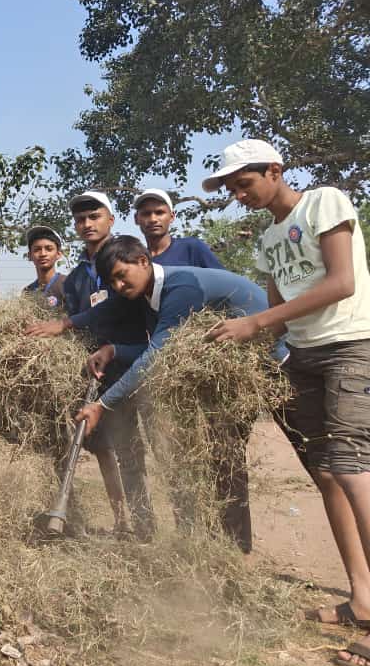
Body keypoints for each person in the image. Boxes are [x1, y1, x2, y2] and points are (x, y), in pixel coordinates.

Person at [200, 139, 370, 666]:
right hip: (303, 355)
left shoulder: (325, 202)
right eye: (230, 188)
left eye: (244, 183)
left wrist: (256, 323)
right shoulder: (268, 238)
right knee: (323, 473)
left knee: (352, 468)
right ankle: (362, 599)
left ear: (275, 170)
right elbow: (276, 306)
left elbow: (341, 283)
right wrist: (241, 348)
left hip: (349, 345)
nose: (238, 194)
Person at [72, 235, 286, 553]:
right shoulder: (148, 296)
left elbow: (157, 356)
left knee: (226, 456)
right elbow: (165, 347)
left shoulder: (178, 288)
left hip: (272, 361)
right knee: (215, 456)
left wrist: (102, 403)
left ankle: (235, 551)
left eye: (121, 275)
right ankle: (215, 545)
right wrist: (113, 348)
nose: (118, 286)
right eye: (111, 281)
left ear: (143, 261)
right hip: (230, 366)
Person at [25, 191, 154, 539]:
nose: (87, 224)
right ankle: (123, 521)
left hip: (130, 364)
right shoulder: (78, 276)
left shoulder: (126, 259)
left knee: (135, 451)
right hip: (93, 373)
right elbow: (78, 320)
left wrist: (69, 326)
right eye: (80, 220)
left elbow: (117, 311)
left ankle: (146, 526)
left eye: (94, 217)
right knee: (103, 450)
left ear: (110, 220)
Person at [133, 189, 224, 268]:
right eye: (146, 214)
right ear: (136, 219)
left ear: (172, 217)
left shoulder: (191, 248)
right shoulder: (136, 262)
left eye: (159, 212)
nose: (153, 219)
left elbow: (226, 284)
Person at [22, 225, 67, 308]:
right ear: (29, 256)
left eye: (49, 249)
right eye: (37, 250)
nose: (43, 254)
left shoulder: (68, 284)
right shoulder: (27, 292)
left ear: (58, 254)